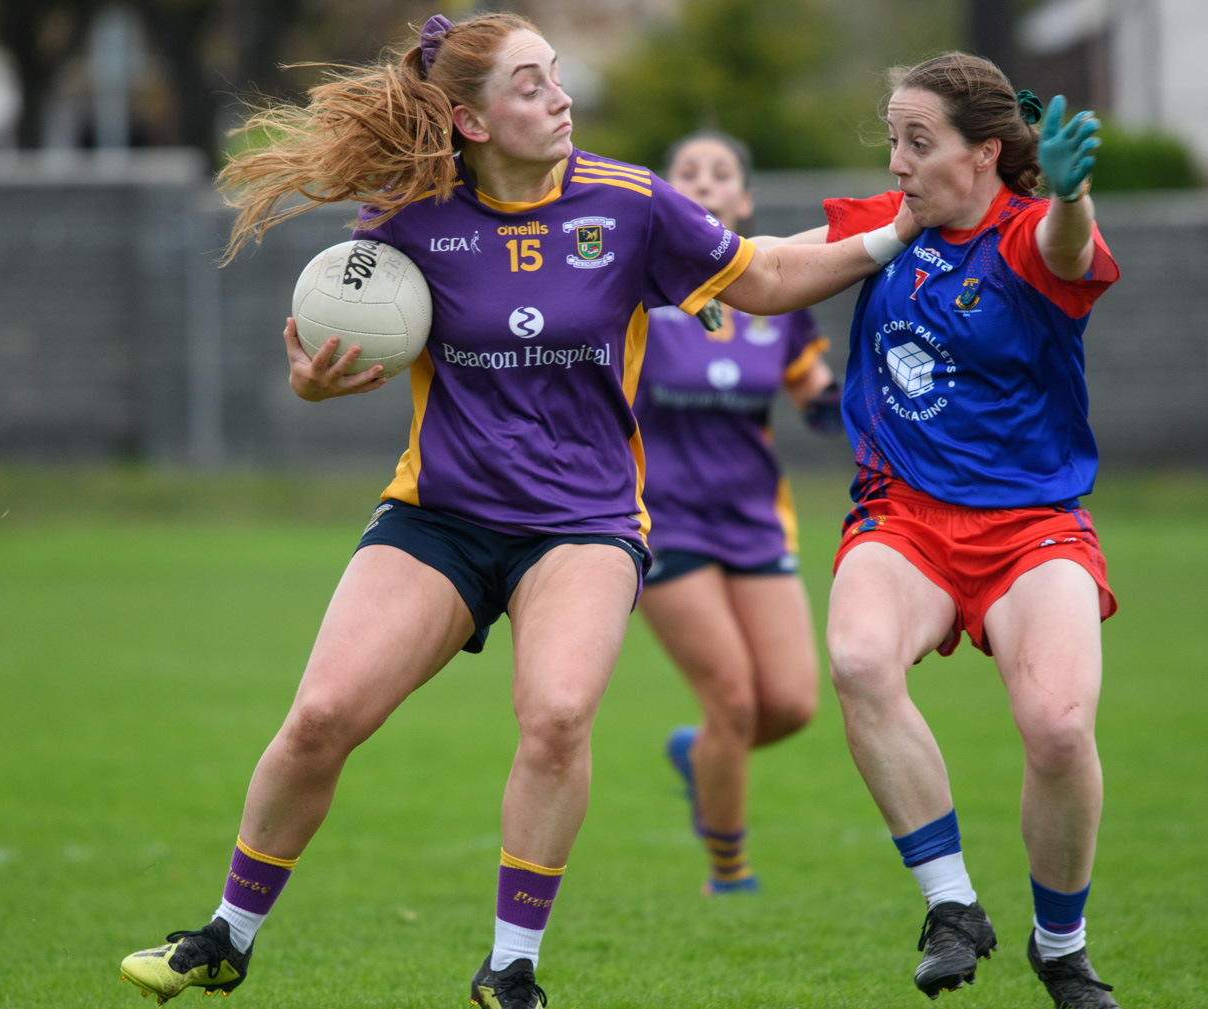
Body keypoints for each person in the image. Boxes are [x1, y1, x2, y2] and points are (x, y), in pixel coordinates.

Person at [117, 12, 920, 1009]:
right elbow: (359, 348)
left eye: (557, 77)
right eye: (533, 84)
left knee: (557, 712)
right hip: (440, 513)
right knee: (321, 714)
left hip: (583, 521)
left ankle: (509, 968)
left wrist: (895, 229)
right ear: (472, 118)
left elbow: (763, 276)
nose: (561, 97)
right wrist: (320, 385)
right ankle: (226, 936)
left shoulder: (631, 204)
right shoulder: (405, 218)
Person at [815, 53, 1121, 1008]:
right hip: (901, 514)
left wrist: (1069, 196)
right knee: (860, 660)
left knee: (1060, 730)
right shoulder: (887, 226)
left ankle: (1059, 947)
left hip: (1031, 524)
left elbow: (1067, 252)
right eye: (892, 140)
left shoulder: (1031, 232)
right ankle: (951, 906)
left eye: (918, 142)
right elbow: (770, 268)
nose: (897, 163)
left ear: (985, 153)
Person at [632, 130, 841, 895]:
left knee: (787, 704)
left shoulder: (774, 297)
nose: (704, 182)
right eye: (686, 172)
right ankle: (729, 875)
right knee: (734, 701)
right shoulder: (637, 294)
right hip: (663, 523)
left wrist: (877, 398)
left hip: (755, 519)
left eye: (721, 173)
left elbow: (817, 400)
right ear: (665, 196)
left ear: (745, 201)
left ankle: (699, 755)